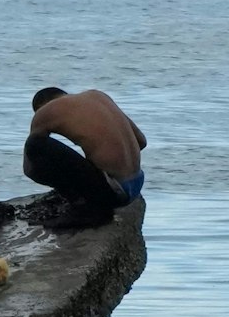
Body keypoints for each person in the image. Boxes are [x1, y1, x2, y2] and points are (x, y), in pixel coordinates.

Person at [23, 87, 147, 229]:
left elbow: (30, 165)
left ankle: (88, 210)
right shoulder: (98, 96)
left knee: (35, 144)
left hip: (113, 193)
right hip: (136, 184)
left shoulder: (45, 112)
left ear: (40, 107)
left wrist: (68, 186)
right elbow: (141, 141)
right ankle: (90, 201)